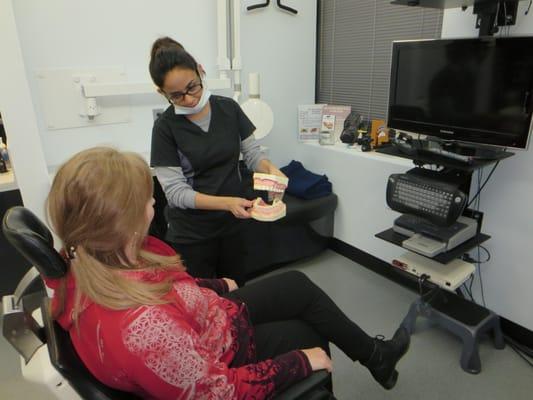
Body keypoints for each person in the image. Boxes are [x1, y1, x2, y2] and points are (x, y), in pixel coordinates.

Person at [45, 147, 410, 399]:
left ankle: (376, 356)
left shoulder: (93, 257)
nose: (153, 201)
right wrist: (300, 361)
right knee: (306, 337)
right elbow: (219, 393)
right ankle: (338, 373)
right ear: (121, 221)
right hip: (215, 350)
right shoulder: (147, 332)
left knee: (297, 285)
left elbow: (166, 287)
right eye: (146, 197)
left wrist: (218, 285)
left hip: (209, 319)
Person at [149, 37, 284, 286]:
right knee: (202, 304)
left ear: (201, 71)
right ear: (162, 93)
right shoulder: (164, 129)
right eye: (176, 96)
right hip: (192, 234)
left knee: (236, 293)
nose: (189, 99)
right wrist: (227, 203)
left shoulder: (229, 109)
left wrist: (272, 172)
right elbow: (176, 193)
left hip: (233, 224)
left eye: (193, 87)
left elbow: (253, 154)